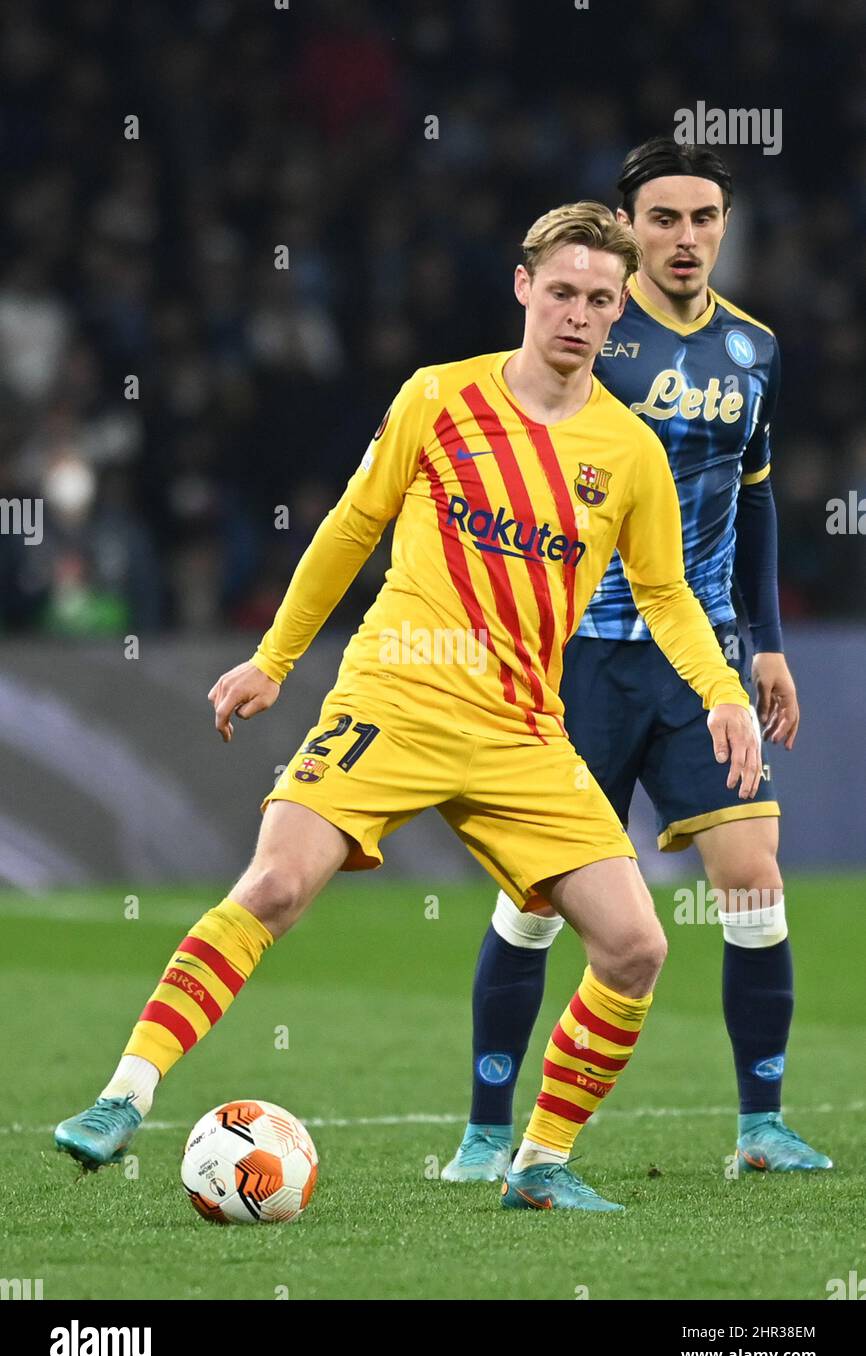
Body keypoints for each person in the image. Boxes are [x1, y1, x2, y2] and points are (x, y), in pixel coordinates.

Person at [55, 201, 760, 1212]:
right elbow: (351, 528)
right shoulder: (438, 397)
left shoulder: (630, 453)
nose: (576, 314)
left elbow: (662, 596)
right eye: (560, 291)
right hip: (393, 697)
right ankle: (124, 1096)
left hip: (521, 731)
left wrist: (722, 693)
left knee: (636, 943)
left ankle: (539, 1163)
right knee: (274, 887)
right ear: (523, 287)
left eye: (599, 301)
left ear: (618, 316)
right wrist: (274, 660)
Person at [443, 141, 831, 1186]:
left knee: (752, 883)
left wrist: (768, 648)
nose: (685, 239)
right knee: (530, 897)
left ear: (723, 227)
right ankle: (486, 1133)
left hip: (694, 655)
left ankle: (759, 1124)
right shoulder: (587, 336)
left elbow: (752, 501)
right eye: (662, 219)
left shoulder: (753, 351)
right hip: (570, 658)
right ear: (625, 230)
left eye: (703, 218)